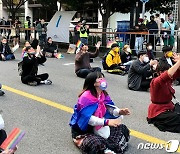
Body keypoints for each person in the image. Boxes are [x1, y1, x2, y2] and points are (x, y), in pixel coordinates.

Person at [69, 71, 130, 154]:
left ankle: (109, 147)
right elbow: (88, 119)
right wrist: (107, 122)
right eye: (99, 78)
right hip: (85, 130)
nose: (102, 79)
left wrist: (119, 112)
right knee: (94, 142)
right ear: (93, 83)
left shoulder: (103, 94)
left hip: (99, 126)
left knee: (122, 128)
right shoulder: (85, 97)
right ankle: (106, 150)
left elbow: (109, 108)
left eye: (103, 77)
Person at [147, 53, 180, 133]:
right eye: (164, 71)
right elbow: (167, 75)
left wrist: (178, 62)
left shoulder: (168, 79)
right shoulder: (156, 82)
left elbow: (177, 72)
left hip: (169, 107)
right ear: (159, 72)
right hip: (159, 111)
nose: (167, 73)